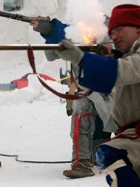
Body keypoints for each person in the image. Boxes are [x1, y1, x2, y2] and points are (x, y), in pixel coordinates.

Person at [55, 4, 140, 186]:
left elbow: (127, 70)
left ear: (138, 28)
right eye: (111, 32)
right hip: (138, 134)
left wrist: (81, 58)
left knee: (113, 153)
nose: (114, 36)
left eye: (119, 29)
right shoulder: (129, 54)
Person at [31, 17, 115, 179]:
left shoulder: (109, 31)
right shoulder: (75, 32)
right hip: (83, 88)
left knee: (118, 123)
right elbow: (54, 50)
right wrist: (48, 29)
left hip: (111, 89)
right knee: (81, 115)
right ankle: (82, 162)